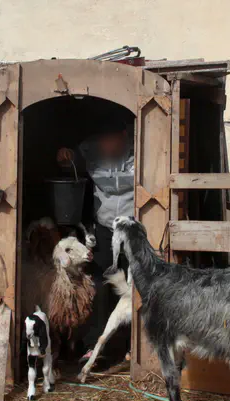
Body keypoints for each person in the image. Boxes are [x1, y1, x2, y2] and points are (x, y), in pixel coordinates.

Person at [56, 117, 133, 361]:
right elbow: (70, 166)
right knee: (99, 283)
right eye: (102, 142)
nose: (106, 147)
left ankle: (135, 347)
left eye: (111, 141)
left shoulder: (142, 148)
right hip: (105, 228)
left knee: (135, 285)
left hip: (135, 227)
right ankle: (96, 347)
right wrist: (64, 157)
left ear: (124, 135)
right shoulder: (89, 150)